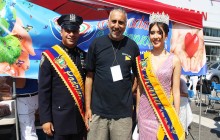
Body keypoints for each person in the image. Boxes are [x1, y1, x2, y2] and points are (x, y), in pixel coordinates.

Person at [85, 7, 140, 140]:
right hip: (98, 112)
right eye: (114, 21)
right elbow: (89, 77)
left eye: (121, 22)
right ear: (108, 23)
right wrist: (87, 108)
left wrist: (128, 90)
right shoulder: (97, 44)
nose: (117, 26)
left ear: (126, 25)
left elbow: (138, 77)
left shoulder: (132, 46)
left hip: (123, 115)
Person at [136, 12, 185, 139]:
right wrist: (137, 112)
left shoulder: (175, 60)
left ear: (166, 35)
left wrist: (176, 115)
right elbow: (139, 89)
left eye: (159, 32)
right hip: (144, 115)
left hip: (164, 115)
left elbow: (176, 90)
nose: (155, 36)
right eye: (152, 33)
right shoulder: (142, 60)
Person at [38, 13, 86, 140]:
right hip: (58, 122)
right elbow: (44, 91)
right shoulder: (50, 56)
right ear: (61, 31)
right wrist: (45, 119)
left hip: (79, 121)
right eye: (68, 30)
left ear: (78, 32)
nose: (71, 34)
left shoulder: (83, 56)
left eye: (74, 31)